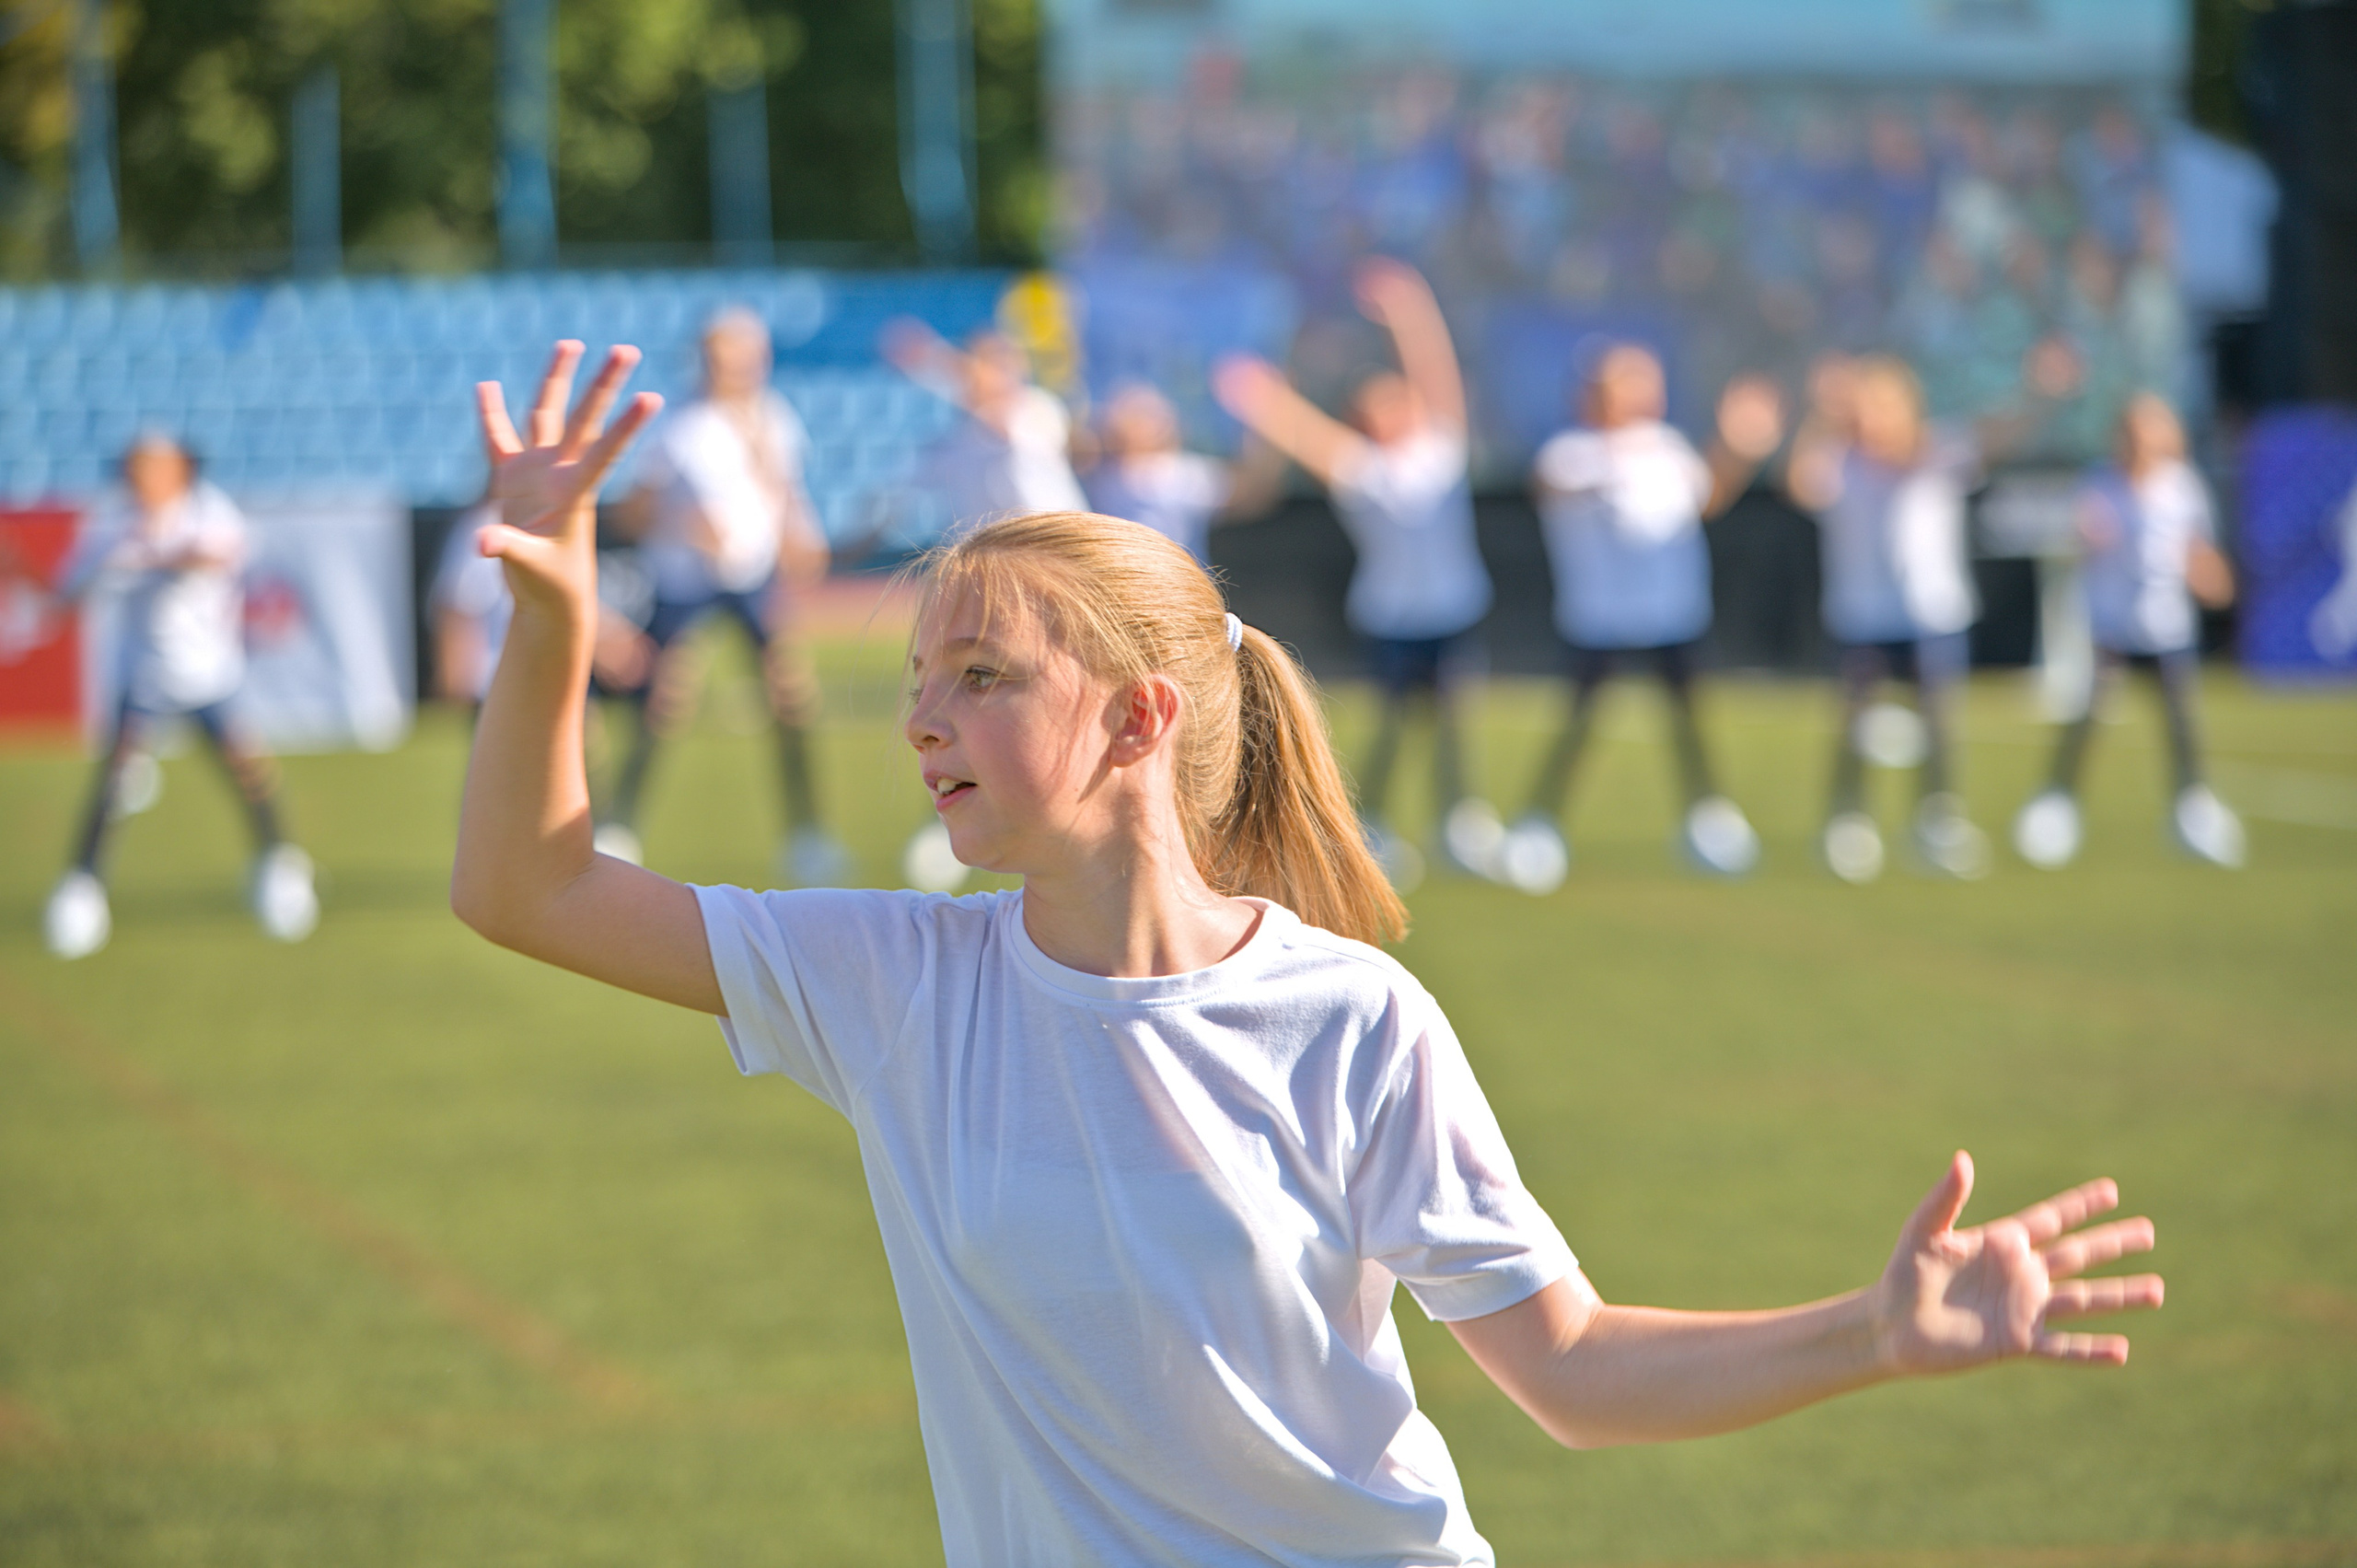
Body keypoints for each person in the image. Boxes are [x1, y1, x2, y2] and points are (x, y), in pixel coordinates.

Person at [456, 340, 2163, 1568]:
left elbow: (1569, 1370)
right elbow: (526, 888)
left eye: (981, 676)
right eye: (916, 678)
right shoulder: (898, 987)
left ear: (1138, 716)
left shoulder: (1350, 1019)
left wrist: (1872, 1327)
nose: (923, 719)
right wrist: (551, 620)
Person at [1214, 257, 1500, 889]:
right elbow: (1302, 433)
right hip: (1395, 613)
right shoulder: (1361, 470)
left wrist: (1410, 310)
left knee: (1453, 717)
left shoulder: (1440, 449)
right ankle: (1372, 823)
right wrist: (1260, 396)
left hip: (1451, 607)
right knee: (1395, 721)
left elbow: (1436, 375)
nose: (1390, 412)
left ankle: (1462, 819)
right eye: (1375, 407)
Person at [1498, 345, 1785, 895]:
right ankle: (1540, 822)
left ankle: (1709, 820)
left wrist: (1739, 447)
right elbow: (1550, 487)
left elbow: (1708, 496)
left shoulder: (1669, 449)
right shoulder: (1572, 453)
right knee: (1578, 727)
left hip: (1672, 613)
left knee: (1689, 723)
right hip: (1599, 618)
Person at [597, 308, 848, 888]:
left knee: (790, 695)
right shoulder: (675, 428)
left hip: (753, 578)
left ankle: (807, 832)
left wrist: (797, 534)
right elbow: (633, 513)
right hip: (686, 581)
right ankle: (619, 826)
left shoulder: (774, 419)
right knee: (664, 700)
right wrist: (683, 524)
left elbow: (783, 492)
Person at [41, 431, 316, 958]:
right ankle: (82, 886)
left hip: (211, 676)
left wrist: (146, 558)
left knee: (248, 768)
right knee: (115, 780)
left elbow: (215, 555)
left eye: (150, 467)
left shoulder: (209, 510)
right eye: (133, 468)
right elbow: (67, 590)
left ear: (178, 471)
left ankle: (279, 865)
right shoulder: (111, 525)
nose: (138, 477)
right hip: (144, 679)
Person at [882, 319, 1089, 892]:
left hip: (1064, 581)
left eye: (993, 367)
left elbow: (1002, 411)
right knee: (962, 711)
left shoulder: (1033, 412)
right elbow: (898, 499)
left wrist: (936, 360)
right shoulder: (956, 442)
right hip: (994, 599)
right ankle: (954, 821)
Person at [2013, 393, 2244, 868]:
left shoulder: (2182, 488)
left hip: (2166, 628)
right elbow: (2082, 538)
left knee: (2180, 724)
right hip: (2112, 629)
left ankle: (2192, 809)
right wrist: (2087, 538)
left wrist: (2209, 577)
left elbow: (2204, 560)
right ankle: (2059, 805)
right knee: (2087, 720)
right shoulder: (2101, 483)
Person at [1787, 354, 1991, 883]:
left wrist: (2042, 390)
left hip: (1930, 612)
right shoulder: (1838, 459)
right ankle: (1848, 820)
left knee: (1936, 721)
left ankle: (1937, 818)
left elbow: (1995, 436)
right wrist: (1822, 414)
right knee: (1856, 722)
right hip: (1862, 615)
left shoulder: (1936, 452)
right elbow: (1799, 483)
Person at [1081, 381, 1283, 569]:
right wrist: (1267, 422)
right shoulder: (1167, 473)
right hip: (1171, 590)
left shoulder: (1099, 477)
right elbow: (1252, 492)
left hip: (1127, 585)